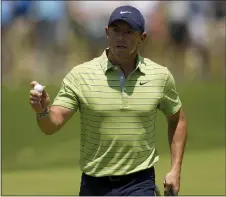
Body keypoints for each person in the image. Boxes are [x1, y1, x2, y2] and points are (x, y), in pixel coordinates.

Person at [29, 5, 187, 196]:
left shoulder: (159, 76)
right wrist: (42, 111)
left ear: (142, 38)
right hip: (94, 184)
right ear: (107, 33)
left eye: (129, 32)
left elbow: (177, 119)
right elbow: (51, 125)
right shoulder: (81, 75)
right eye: (116, 30)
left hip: (139, 182)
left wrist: (175, 170)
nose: (121, 37)